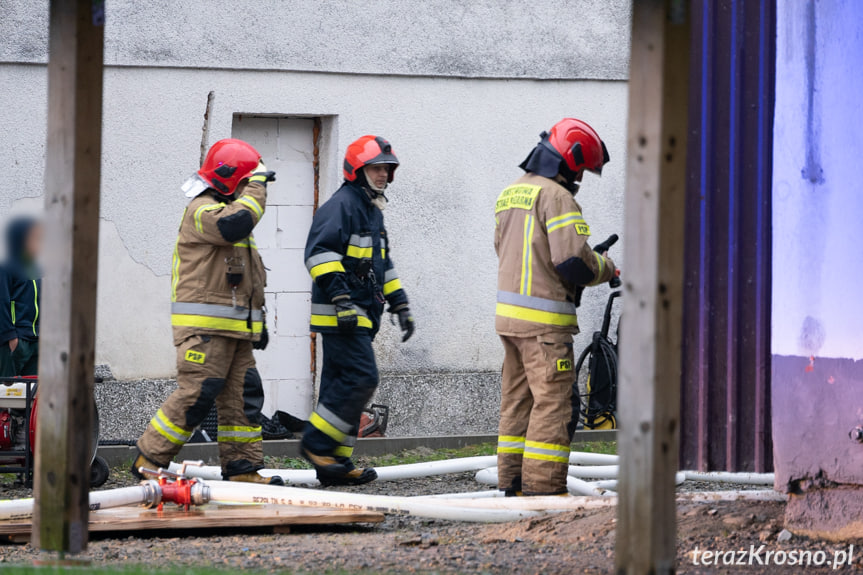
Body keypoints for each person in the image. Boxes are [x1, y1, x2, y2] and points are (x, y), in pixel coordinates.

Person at [133, 138, 282, 485]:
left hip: (234, 331)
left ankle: (242, 469)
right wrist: (258, 184)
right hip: (204, 331)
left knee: (243, 397)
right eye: (247, 182)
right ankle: (149, 459)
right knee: (198, 394)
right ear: (232, 180)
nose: (251, 190)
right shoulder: (202, 211)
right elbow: (237, 223)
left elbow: (249, 278)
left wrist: (255, 323)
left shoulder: (225, 213)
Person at [494, 118, 617, 496]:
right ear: (568, 159)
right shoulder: (557, 197)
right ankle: (543, 489)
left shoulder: (511, 192)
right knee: (554, 405)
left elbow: (513, 252)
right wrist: (605, 267)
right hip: (545, 327)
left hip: (510, 322)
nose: (578, 177)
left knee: (518, 402)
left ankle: (512, 482)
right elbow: (572, 262)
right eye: (579, 168)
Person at [301, 135, 414, 486]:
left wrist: (400, 303)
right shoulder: (342, 206)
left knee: (339, 384)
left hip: (361, 313)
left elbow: (381, 264)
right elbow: (318, 253)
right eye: (376, 168)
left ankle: (334, 464)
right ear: (358, 170)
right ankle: (317, 444)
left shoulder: (369, 208)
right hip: (343, 315)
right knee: (362, 378)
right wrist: (342, 300)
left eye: (386, 169)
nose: (382, 174)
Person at [0, 217, 42, 378]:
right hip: (16, 340)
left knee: (31, 395)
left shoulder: (36, 269)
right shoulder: (6, 268)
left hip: (35, 341)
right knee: (6, 393)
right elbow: (2, 302)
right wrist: (10, 336)